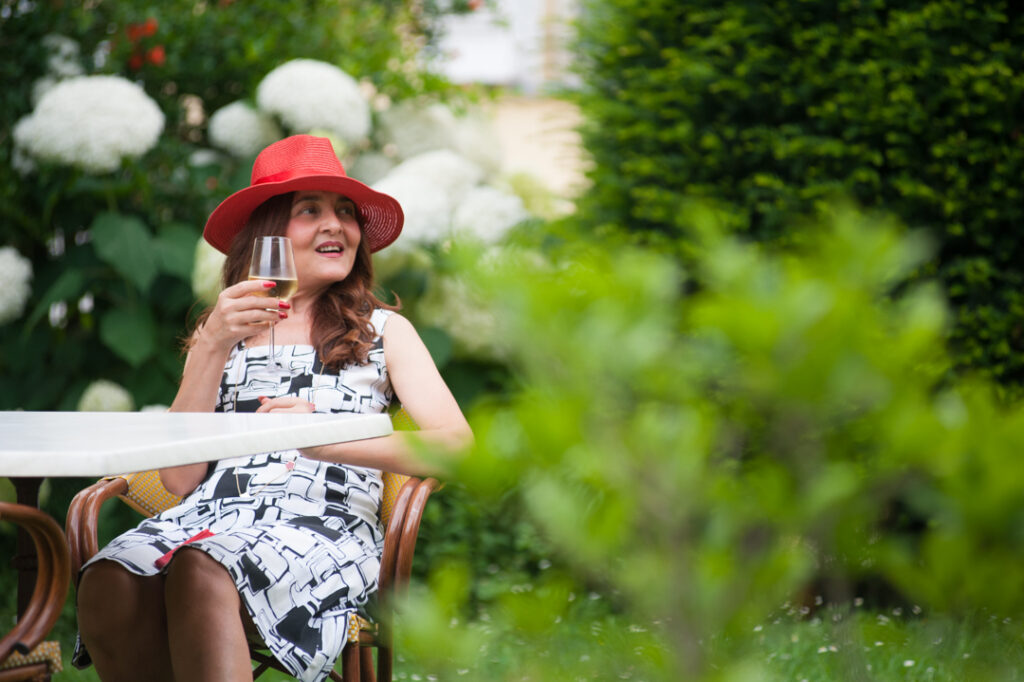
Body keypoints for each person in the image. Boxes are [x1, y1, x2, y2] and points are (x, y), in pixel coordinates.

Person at [75, 134, 473, 682]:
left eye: (345, 211)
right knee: (109, 577)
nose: (335, 225)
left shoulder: (383, 331)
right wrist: (210, 344)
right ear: (268, 238)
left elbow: (456, 447)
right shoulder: (222, 334)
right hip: (210, 519)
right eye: (310, 210)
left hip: (323, 529)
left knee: (202, 565)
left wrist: (322, 438)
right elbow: (178, 479)